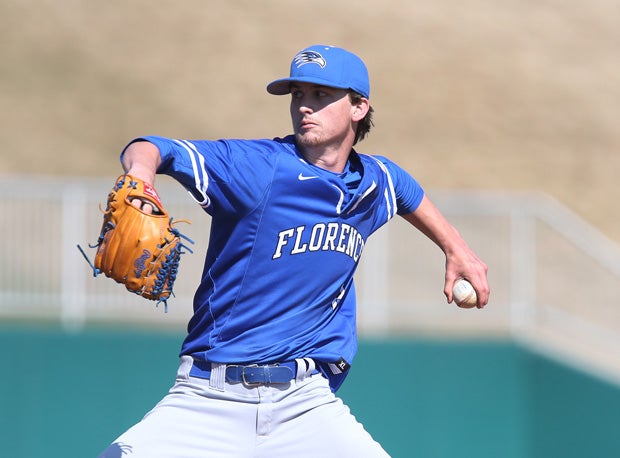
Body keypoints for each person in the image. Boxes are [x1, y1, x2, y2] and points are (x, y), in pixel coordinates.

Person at [98, 44, 489, 458]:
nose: (304, 106)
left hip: (303, 403)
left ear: (359, 107)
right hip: (209, 396)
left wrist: (457, 250)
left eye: (321, 95)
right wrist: (141, 173)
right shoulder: (258, 168)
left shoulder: (373, 182)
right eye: (298, 94)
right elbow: (155, 146)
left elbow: (406, 190)